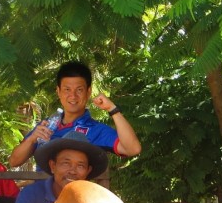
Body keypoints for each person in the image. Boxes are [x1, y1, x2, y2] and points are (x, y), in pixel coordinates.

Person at [9, 61, 141, 174]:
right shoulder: (45, 126)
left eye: (79, 90)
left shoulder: (96, 130)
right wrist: (32, 139)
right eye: (67, 89)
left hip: (75, 198)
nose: (73, 96)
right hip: (42, 197)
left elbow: (133, 149)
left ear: (88, 92)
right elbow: (14, 162)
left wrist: (112, 109)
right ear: (58, 92)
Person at [8, 134, 108, 203]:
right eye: (66, 163)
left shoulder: (95, 201)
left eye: (80, 166)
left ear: (87, 171)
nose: (72, 171)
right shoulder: (31, 194)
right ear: (53, 166)